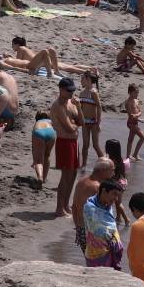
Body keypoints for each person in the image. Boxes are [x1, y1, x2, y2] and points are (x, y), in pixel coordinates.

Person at [51, 78, 82, 217]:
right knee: (66, 175)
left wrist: (79, 108)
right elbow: (69, 128)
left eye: (73, 90)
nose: (71, 93)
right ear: (61, 89)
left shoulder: (71, 103)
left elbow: (81, 122)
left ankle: (66, 205)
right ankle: (59, 208)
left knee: (74, 173)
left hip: (74, 142)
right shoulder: (57, 106)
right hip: (64, 142)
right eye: (69, 90)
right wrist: (74, 124)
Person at [73, 158, 116, 254]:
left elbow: (74, 207)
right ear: (103, 171)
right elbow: (104, 213)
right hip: (93, 232)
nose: (113, 174)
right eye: (112, 170)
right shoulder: (97, 188)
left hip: (81, 228)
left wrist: (77, 229)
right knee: (100, 262)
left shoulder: (81, 182)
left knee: (90, 259)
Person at [83, 179, 125, 269]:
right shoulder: (89, 207)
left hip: (109, 250)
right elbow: (96, 229)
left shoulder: (107, 207)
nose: (116, 199)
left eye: (118, 195)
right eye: (114, 194)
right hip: (95, 253)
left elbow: (111, 226)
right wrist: (113, 238)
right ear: (104, 191)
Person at [78, 72, 105, 167]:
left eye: (82, 79)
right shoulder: (81, 93)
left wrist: (98, 123)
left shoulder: (93, 92)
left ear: (88, 80)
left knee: (95, 145)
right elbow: (80, 108)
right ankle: (83, 165)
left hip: (94, 122)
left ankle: (105, 164)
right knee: (85, 145)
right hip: (85, 122)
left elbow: (99, 107)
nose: (81, 81)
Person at [31, 111, 56, 186]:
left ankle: (40, 177)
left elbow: (33, 147)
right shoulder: (51, 121)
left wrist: (34, 160)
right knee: (47, 155)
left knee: (38, 161)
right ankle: (44, 178)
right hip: (51, 132)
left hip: (39, 131)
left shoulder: (37, 123)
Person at [125, 84, 144, 161]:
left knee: (130, 140)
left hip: (135, 122)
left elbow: (140, 111)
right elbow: (131, 116)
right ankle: (135, 154)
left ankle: (128, 156)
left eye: (138, 92)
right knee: (143, 137)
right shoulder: (128, 103)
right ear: (130, 92)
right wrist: (139, 118)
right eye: (135, 92)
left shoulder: (136, 101)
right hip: (131, 123)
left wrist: (137, 116)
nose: (137, 94)